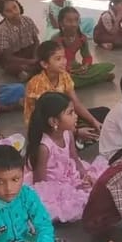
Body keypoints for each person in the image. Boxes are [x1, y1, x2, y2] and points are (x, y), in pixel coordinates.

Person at [24, 92, 109, 224]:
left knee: (97, 184)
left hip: (68, 173)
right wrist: (70, 189)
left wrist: (85, 175)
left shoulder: (67, 133)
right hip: (52, 185)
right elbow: (40, 184)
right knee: (76, 201)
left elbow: (75, 159)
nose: (76, 116)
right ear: (54, 121)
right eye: (70, 113)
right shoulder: (44, 148)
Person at [23, 41, 109, 136]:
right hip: (46, 126)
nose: (64, 61)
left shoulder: (64, 75)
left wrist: (93, 121)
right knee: (77, 133)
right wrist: (76, 132)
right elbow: (48, 120)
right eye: (58, 59)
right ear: (44, 64)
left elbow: (75, 102)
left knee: (104, 112)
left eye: (64, 57)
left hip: (63, 116)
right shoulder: (37, 84)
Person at [55, 6, 116, 89]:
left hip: (77, 68)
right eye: (69, 21)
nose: (74, 24)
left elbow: (87, 56)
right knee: (63, 79)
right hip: (62, 71)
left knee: (108, 66)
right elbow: (53, 63)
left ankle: (85, 80)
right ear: (61, 23)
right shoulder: (56, 40)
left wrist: (85, 66)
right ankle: (99, 78)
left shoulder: (82, 38)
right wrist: (69, 70)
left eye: (76, 20)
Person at [0, 0, 42, 80]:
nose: (14, 12)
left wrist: (35, 57)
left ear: (18, 5)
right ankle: (28, 71)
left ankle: (30, 71)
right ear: (3, 14)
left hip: (30, 51)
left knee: (46, 54)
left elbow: (36, 41)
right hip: (15, 57)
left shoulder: (28, 20)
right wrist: (29, 62)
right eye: (8, 11)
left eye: (15, 7)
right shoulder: (3, 29)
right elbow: (8, 56)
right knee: (11, 67)